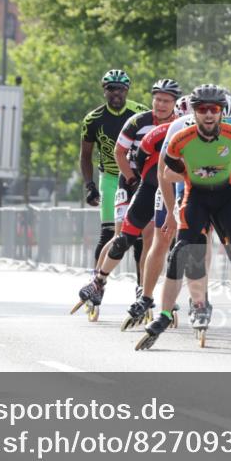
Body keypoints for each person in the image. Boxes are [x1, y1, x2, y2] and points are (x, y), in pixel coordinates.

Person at [136, 85, 231, 350]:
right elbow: (165, 175)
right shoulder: (180, 138)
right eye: (202, 109)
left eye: (214, 109)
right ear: (194, 112)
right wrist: (186, 183)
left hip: (226, 197)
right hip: (195, 196)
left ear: (221, 112)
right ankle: (168, 314)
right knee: (182, 253)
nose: (209, 114)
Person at [75, 79, 182, 316]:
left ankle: (143, 288)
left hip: (159, 184)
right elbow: (119, 152)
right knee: (120, 235)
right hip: (131, 179)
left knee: (150, 235)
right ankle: (98, 282)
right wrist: (131, 178)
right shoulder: (137, 121)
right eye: (158, 100)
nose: (161, 105)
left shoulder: (180, 123)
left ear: (174, 104)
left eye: (166, 101)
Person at [76, 70, 149, 319]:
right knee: (110, 233)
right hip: (109, 177)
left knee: (139, 236)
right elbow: (85, 155)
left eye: (121, 89)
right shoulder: (93, 118)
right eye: (111, 89)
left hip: (137, 177)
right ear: (104, 90)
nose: (116, 93)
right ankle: (98, 285)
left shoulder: (140, 112)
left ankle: (142, 289)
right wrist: (89, 185)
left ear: (127, 91)